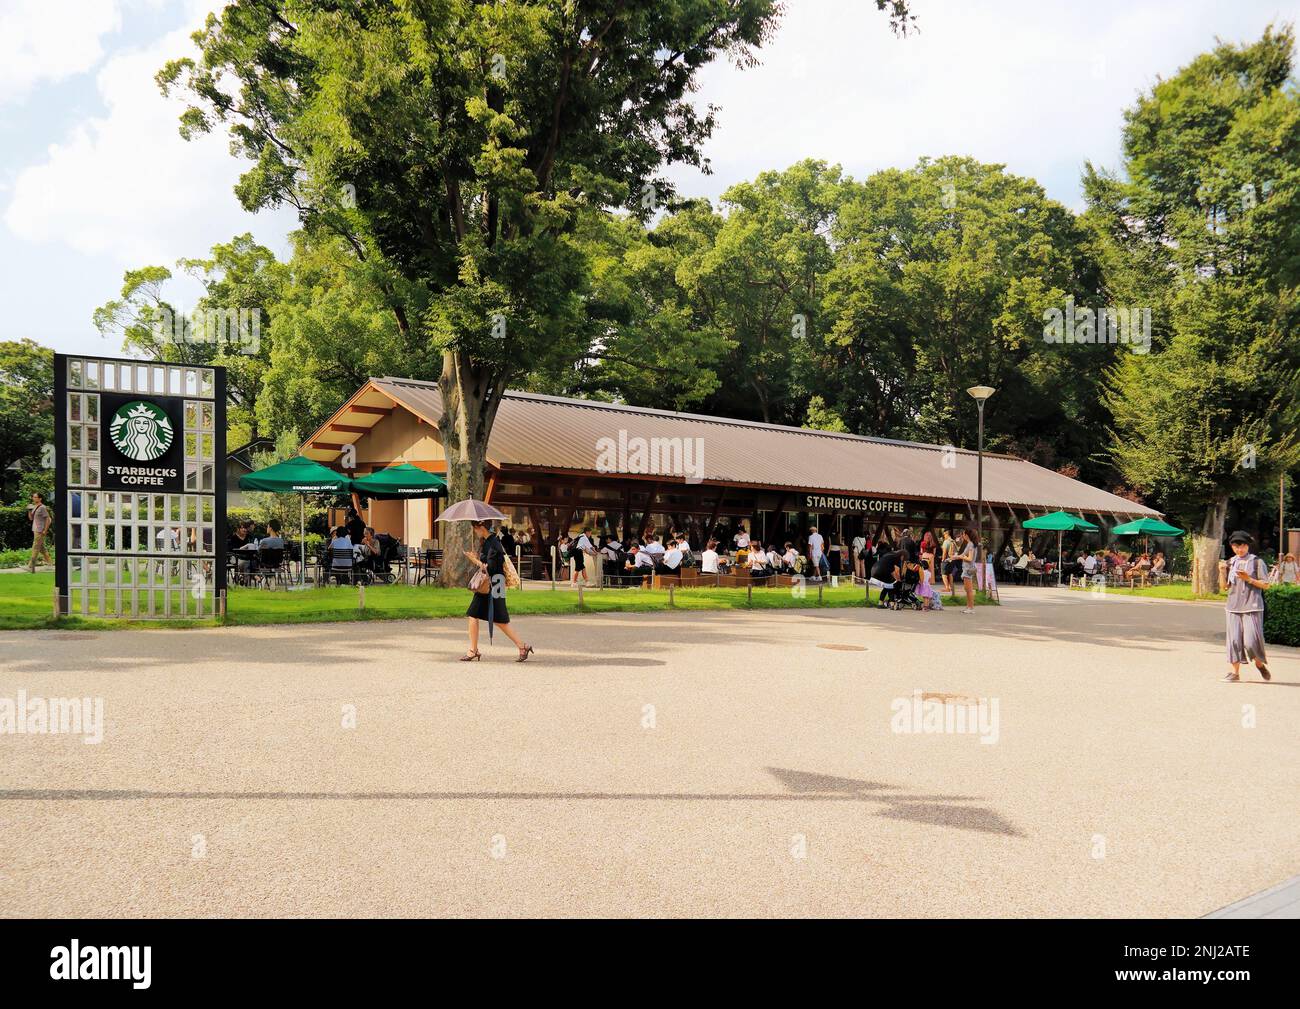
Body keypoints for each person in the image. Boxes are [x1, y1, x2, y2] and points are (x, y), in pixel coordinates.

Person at [461, 520, 533, 662]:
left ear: (481, 528)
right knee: (476, 615)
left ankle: (522, 646)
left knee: (499, 620)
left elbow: (491, 568)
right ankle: (473, 649)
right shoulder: (490, 541)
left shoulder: (493, 543)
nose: (475, 532)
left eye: (475, 529)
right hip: (492, 585)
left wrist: (474, 560)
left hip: (494, 585)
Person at [1223, 530, 1270, 682]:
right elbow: (1224, 587)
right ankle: (1235, 673)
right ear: (1232, 547)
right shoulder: (1231, 562)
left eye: (1242, 545)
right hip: (1233, 606)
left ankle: (1259, 664)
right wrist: (1221, 572)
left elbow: (1266, 585)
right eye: (1236, 546)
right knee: (1234, 641)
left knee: (1251, 642)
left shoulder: (1257, 562)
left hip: (1252, 606)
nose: (1239, 549)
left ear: (1248, 545)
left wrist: (1248, 579)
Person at [26, 492, 51, 573]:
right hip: (35, 529)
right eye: (33, 497)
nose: (34, 498)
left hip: (40, 530)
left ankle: (30, 565)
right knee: (41, 548)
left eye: (35, 497)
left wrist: (45, 530)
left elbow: (47, 519)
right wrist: (29, 510)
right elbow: (31, 518)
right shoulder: (34, 507)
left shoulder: (42, 507)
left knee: (35, 547)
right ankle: (50, 563)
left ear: (40, 498)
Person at [957, 528, 978, 614]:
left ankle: (971, 608)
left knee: (968, 590)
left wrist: (961, 557)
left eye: (964, 534)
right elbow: (963, 555)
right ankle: (968, 607)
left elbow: (969, 558)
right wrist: (954, 557)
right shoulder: (970, 544)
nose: (963, 535)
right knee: (967, 589)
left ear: (967, 535)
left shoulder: (971, 545)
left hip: (968, 569)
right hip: (967, 568)